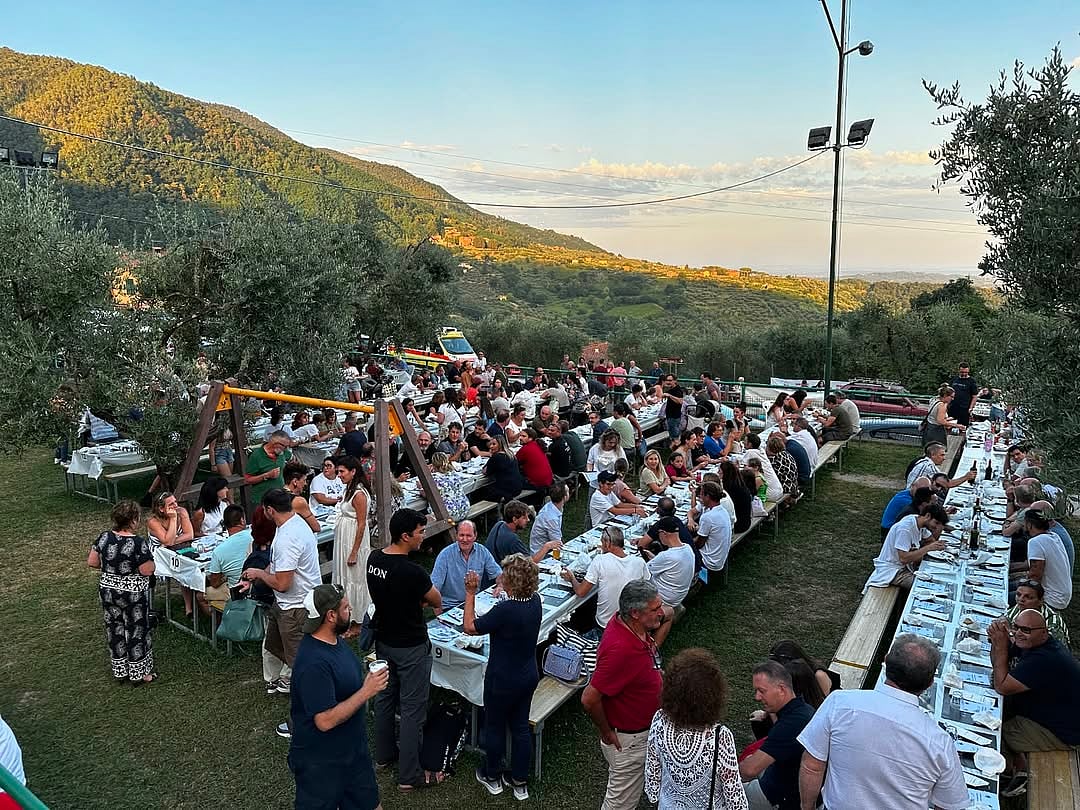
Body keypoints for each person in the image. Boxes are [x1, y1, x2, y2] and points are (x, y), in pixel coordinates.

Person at [796, 634, 968, 810]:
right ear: (930, 683)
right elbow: (950, 805)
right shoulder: (940, 742)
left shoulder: (839, 703)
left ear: (885, 662)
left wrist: (807, 807)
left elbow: (812, 766)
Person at [288, 584, 389, 810]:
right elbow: (324, 721)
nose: (350, 608)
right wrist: (366, 691)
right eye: (345, 607)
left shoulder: (334, 641)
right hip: (322, 763)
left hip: (353, 753)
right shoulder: (313, 664)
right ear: (331, 616)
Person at [366, 508, 443, 791]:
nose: (423, 536)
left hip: (384, 640)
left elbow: (384, 594)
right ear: (405, 535)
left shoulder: (374, 559)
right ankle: (409, 775)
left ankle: (384, 756)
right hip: (411, 645)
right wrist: (418, 601)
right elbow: (436, 598)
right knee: (412, 708)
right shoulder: (413, 572)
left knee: (386, 698)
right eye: (420, 532)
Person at [241, 489, 323, 740]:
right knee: (275, 647)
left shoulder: (288, 537)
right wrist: (255, 578)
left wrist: (259, 575)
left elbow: (283, 582)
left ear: (269, 510)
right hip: (285, 605)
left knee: (301, 668)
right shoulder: (293, 523)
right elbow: (278, 566)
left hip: (295, 608)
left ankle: (306, 720)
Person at [582, 580, 666, 810]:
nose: (662, 612)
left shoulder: (631, 627)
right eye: (655, 609)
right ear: (635, 613)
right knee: (619, 805)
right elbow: (589, 699)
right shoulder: (621, 649)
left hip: (643, 733)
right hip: (630, 741)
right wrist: (607, 732)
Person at [464, 556, 543, 800]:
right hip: (527, 674)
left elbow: (469, 626)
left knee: (495, 726)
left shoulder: (505, 610)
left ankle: (492, 775)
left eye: (504, 574)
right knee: (520, 727)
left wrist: (470, 592)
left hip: (502, 678)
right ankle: (519, 781)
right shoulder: (535, 601)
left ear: (512, 580)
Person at [988, 608, 1080, 790]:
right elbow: (998, 667)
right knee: (999, 710)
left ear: (1044, 632)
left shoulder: (1044, 659)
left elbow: (1002, 686)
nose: (1020, 633)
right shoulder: (1034, 645)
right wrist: (999, 642)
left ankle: (1008, 773)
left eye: (1027, 630)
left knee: (998, 733)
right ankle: (1017, 765)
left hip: (1065, 733)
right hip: (1047, 712)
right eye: (1017, 627)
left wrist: (1000, 646)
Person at [645, 648, 748, 809]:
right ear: (713, 696)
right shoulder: (720, 736)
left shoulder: (660, 719)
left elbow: (653, 776)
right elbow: (734, 795)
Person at [88, 500, 157, 683]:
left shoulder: (104, 537)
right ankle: (140, 673)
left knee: (115, 629)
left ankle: (120, 671)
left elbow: (92, 562)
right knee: (136, 630)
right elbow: (146, 570)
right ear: (134, 519)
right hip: (132, 594)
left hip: (108, 591)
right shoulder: (137, 543)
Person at [739, 660, 814, 810]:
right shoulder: (803, 710)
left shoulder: (792, 723)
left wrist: (723, 773)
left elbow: (749, 770)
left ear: (781, 689)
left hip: (778, 796)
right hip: (782, 779)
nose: (757, 697)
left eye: (762, 691)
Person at [563, 527, 651, 633]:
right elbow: (648, 588)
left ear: (607, 543)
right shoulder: (639, 562)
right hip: (632, 620)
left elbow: (581, 592)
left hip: (606, 624)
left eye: (602, 542)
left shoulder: (600, 560)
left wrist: (571, 578)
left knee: (587, 606)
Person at [864, 505, 949, 591]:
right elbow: (903, 558)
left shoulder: (919, 522)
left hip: (905, 566)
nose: (936, 526)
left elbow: (931, 540)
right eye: (936, 523)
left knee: (939, 577)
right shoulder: (905, 529)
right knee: (926, 587)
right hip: (892, 570)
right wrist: (928, 548)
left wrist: (936, 535)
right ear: (927, 516)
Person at [331, 456, 373, 628]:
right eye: (338, 471)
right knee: (344, 576)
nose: (339, 475)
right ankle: (345, 614)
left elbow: (362, 523)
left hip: (353, 539)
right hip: (344, 537)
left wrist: (354, 551)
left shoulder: (359, 494)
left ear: (353, 471)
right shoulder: (349, 488)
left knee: (355, 578)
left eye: (342, 471)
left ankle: (358, 620)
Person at [430, 521, 501, 612]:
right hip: (451, 607)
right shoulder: (445, 555)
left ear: (475, 536)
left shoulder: (482, 551)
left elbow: (498, 574)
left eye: (468, 536)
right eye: (461, 535)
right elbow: (434, 589)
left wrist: (500, 585)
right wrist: (439, 615)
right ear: (456, 536)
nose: (464, 539)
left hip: (475, 602)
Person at [146, 490, 196, 615]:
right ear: (161, 509)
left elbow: (189, 534)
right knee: (180, 565)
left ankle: (189, 607)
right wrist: (173, 520)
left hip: (176, 547)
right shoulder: (153, 521)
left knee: (187, 565)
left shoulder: (182, 512)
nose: (176, 506)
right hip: (158, 553)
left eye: (175, 502)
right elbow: (167, 541)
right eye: (171, 504)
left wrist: (172, 541)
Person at [198, 504, 251, 612]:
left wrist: (224, 577)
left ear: (225, 525)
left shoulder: (219, 551)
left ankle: (219, 622)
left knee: (199, 595)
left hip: (236, 591)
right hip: (256, 586)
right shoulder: (254, 535)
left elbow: (215, 583)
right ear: (242, 520)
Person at [1016, 508, 1072, 610]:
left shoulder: (1036, 542)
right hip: (1063, 595)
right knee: (1013, 583)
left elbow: (1035, 575)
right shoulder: (1054, 536)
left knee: (1006, 595)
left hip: (1052, 598)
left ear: (1029, 525)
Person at [645, 518, 696, 630]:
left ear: (663, 533)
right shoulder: (687, 548)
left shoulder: (667, 556)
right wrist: (655, 559)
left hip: (665, 597)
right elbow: (669, 565)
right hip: (679, 594)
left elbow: (644, 570)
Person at [1006, 579, 1070, 645]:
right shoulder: (1020, 607)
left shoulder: (1052, 622)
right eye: (1018, 595)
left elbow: (1050, 648)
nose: (1021, 599)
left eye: (1028, 597)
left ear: (1040, 601)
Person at [696, 481, 734, 575]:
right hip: (719, 556)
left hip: (709, 560)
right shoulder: (723, 511)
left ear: (707, 496)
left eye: (701, 495)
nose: (700, 498)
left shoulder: (708, 517)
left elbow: (699, 544)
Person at [246, 430, 294, 505]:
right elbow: (248, 480)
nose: (285, 449)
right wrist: (267, 475)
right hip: (262, 500)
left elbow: (292, 459)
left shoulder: (283, 452)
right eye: (284, 446)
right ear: (274, 443)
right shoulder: (256, 456)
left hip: (279, 497)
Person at [905, 442, 974, 489]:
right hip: (912, 497)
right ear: (933, 455)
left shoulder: (924, 461)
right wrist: (966, 477)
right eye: (941, 455)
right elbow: (948, 484)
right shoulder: (929, 466)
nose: (944, 458)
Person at [429, 452, 470, 523]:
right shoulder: (454, 473)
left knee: (426, 518)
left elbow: (427, 494)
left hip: (450, 514)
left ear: (433, 465)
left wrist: (420, 487)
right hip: (464, 508)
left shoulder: (435, 478)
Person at [485, 435, 524, 505]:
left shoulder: (496, 457)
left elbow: (486, 472)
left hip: (507, 490)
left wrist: (491, 457)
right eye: (490, 444)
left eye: (494, 444)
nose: (491, 446)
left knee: (483, 492)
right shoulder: (510, 454)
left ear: (500, 445)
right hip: (517, 487)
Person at [530, 483, 567, 556]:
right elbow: (557, 544)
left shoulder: (552, 506)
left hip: (547, 548)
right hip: (541, 554)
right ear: (564, 497)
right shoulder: (551, 517)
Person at [947, 362, 980, 427]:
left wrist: (970, 408)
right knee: (949, 426)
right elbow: (948, 392)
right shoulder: (954, 379)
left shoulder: (971, 381)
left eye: (966, 372)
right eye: (962, 372)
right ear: (959, 370)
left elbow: (975, 396)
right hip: (952, 407)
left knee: (962, 427)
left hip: (964, 409)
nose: (964, 374)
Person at [660, 374, 685, 440]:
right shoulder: (670, 389)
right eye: (667, 380)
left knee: (675, 437)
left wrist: (669, 396)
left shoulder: (678, 390)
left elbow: (680, 401)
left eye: (670, 380)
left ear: (675, 381)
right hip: (670, 416)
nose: (668, 382)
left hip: (674, 417)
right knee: (672, 436)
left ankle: (676, 449)